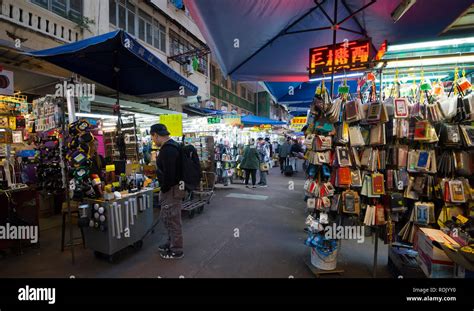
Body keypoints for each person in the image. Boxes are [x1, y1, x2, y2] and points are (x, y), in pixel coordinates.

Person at [150, 124, 185, 260]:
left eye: (152, 137)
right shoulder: (172, 146)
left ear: (156, 135)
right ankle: (171, 242)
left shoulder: (168, 150)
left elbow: (170, 174)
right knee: (168, 217)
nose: (153, 141)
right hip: (174, 188)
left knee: (172, 218)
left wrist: (164, 188)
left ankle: (177, 250)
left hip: (172, 189)